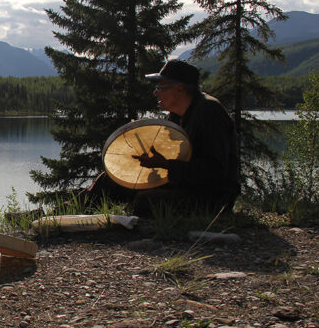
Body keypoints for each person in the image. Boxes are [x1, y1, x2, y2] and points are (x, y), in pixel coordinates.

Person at [81, 59, 239, 216]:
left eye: (160, 87)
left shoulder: (209, 112)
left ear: (179, 88)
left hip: (213, 196)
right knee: (109, 181)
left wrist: (165, 165)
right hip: (185, 184)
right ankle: (72, 214)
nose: (155, 93)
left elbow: (215, 172)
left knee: (146, 201)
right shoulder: (177, 116)